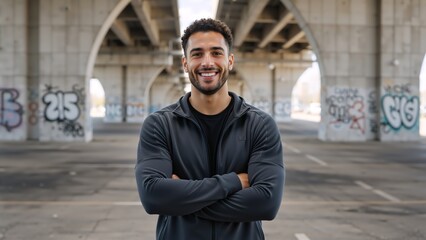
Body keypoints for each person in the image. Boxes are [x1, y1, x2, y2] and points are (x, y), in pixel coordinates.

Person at [135, 18, 285, 240]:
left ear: (230, 60)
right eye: (197, 54)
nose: (207, 62)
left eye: (216, 53)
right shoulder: (160, 125)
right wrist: (234, 182)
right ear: (185, 63)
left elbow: (266, 203)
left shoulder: (259, 124)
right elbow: (153, 197)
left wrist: (182, 200)